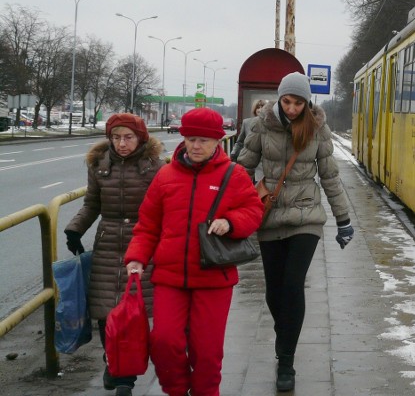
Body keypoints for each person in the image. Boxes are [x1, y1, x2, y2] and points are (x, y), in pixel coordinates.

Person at [124, 107, 264, 396]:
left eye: (203, 140)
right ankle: (176, 390)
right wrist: (137, 257)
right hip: (169, 277)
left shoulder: (233, 175)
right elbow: (147, 224)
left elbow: (254, 210)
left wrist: (231, 222)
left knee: (207, 350)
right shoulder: (165, 176)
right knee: (163, 341)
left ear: (217, 142)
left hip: (214, 277)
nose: (196, 146)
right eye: (190, 139)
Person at [237, 72, 355, 392]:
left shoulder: (317, 129)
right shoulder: (262, 125)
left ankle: (286, 360)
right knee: (274, 290)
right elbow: (242, 168)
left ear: (307, 103)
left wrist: (343, 219)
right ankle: (285, 333)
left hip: (306, 216)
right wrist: (228, 212)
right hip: (270, 217)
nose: (291, 108)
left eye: (298, 103)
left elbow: (330, 176)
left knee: (292, 284)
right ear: (279, 99)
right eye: (287, 101)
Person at [64, 113, 164, 396]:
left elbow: (162, 209)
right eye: (116, 137)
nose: (122, 143)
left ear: (140, 138)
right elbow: (91, 204)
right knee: (106, 311)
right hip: (107, 243)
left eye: (128, 137)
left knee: (133, 312)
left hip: (142, 244)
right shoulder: (99, 164)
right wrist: (75, 229)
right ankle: (112, 362)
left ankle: (126, 377)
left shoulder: (155, 167)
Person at [229, 98, 265, 164]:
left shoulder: (269, 124)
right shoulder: (247, 122)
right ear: (254, 109)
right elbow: (240, 142)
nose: (260, 110)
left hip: (263, 161)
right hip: (248, 159)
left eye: (262, 107)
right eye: (258, 107)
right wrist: (233, 154)